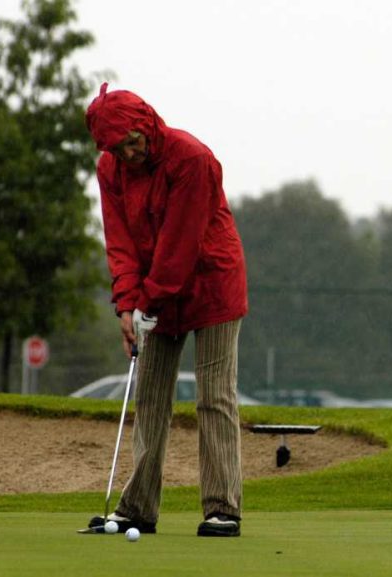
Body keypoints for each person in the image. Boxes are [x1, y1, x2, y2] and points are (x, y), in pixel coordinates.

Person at [84, 83, 248, 538]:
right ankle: (137, 507)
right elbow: (119, 241)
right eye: (118, 148)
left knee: (214, 397)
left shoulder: (191, 158)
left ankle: (222, 508)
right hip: (156, 291)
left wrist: (147, 303)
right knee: (150, 396)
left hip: (211, 283)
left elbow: (180, 242)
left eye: (133, 140)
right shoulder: (110, 170)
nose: (130, 153)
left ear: (147, 122)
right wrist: (126, 304)